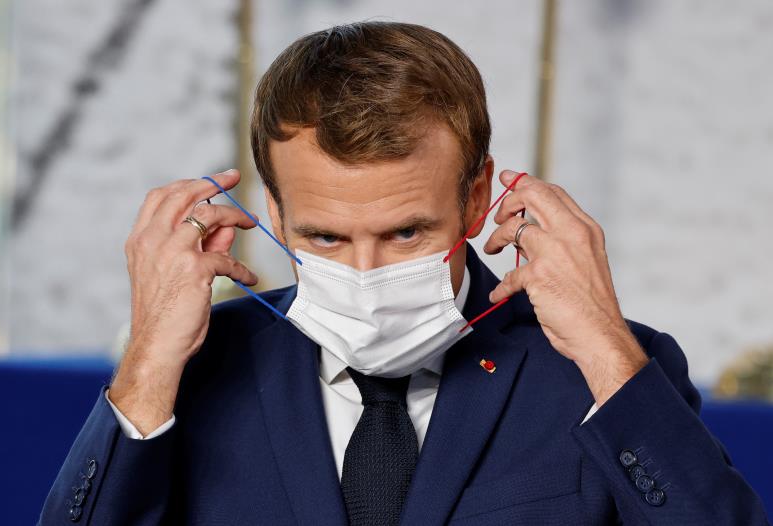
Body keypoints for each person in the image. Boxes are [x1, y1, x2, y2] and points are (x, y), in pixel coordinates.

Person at [39, 21, 768, 525]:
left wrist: (606, 350)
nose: (364, 273)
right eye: (323, 235)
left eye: (406, 231)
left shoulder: (603, 369)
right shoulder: (193, 371)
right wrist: (146, 366)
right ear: (274, 209)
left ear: (476, 197)